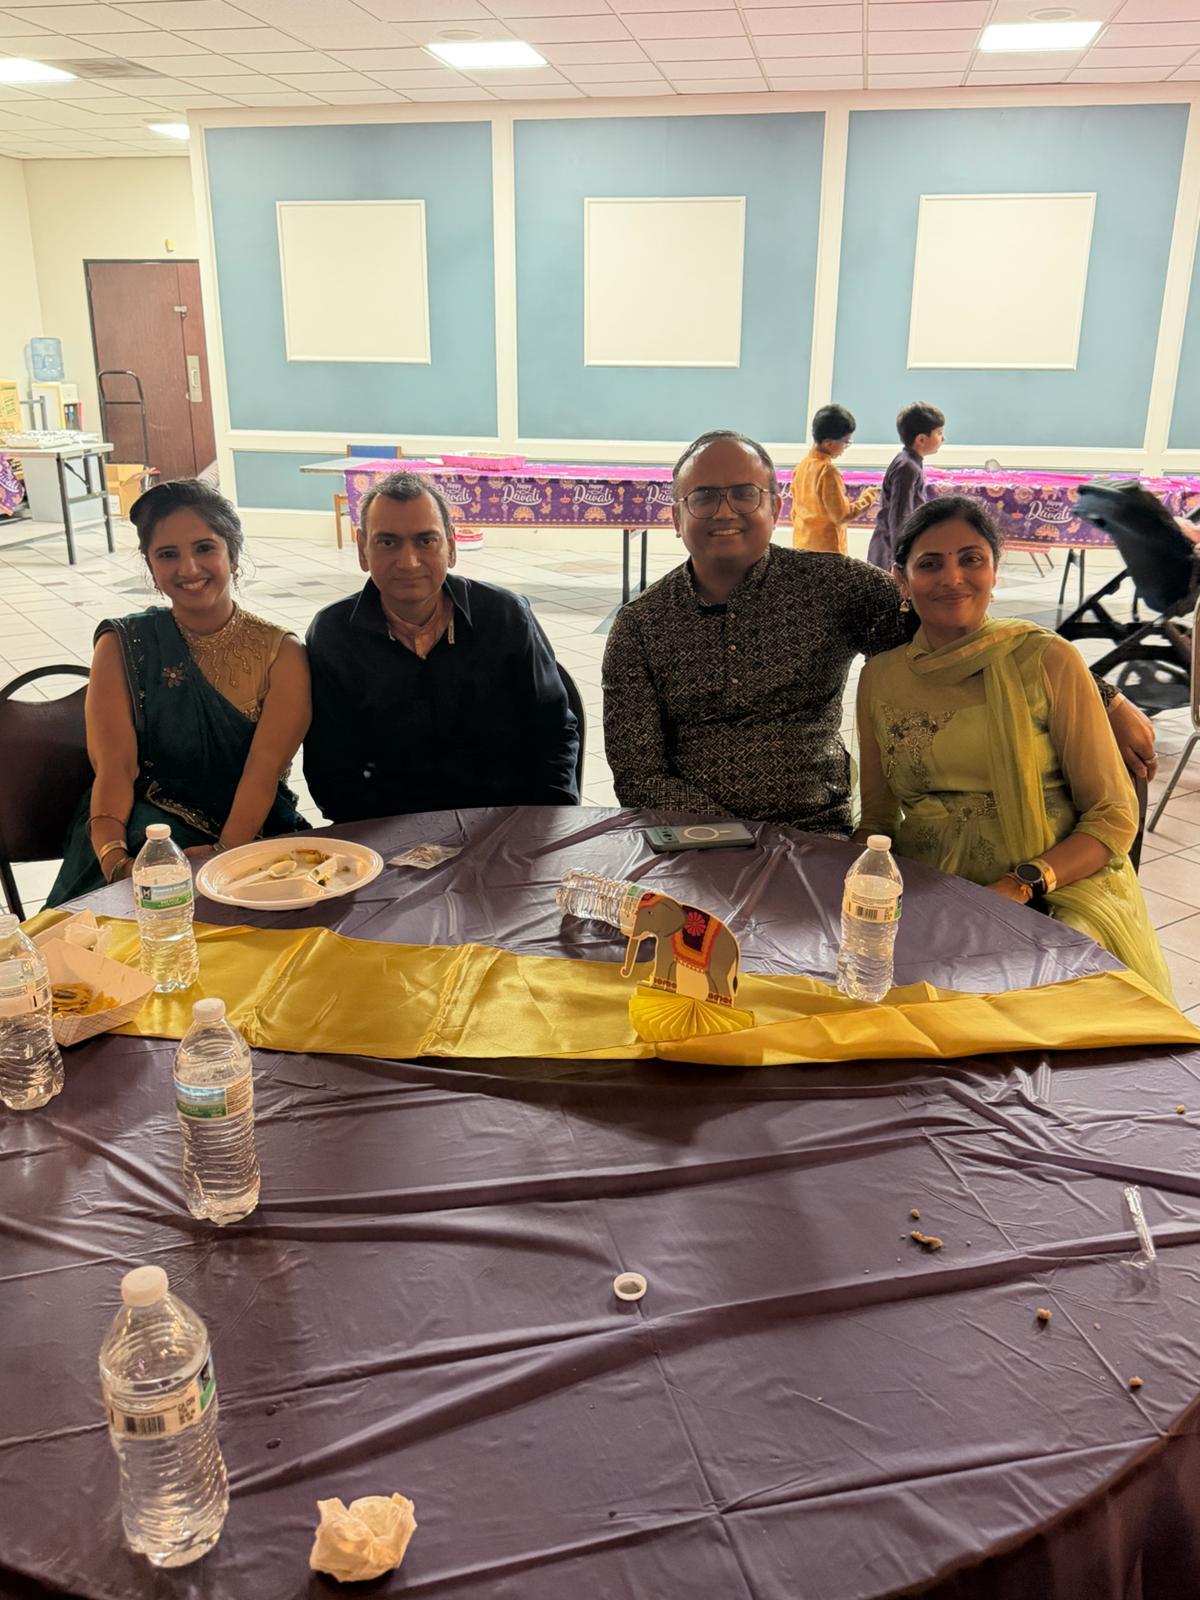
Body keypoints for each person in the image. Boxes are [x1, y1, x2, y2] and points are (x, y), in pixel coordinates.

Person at [602, 431, 1158, 837]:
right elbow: (637, 772)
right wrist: (735, 841)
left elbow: (960, 638)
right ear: (676, 517)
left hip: (815, 833)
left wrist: (1103, 697)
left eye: (745, 493)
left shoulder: (832, 587)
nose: (725, 511)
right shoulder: (641, 626)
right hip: (690, 842)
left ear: (776, 506)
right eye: (703, 497)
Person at [856, 495, 1172, 1000]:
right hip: (931, 886)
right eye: (930, 564)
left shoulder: (1046, 659)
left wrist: (1021, 884)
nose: (952, 578)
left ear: (994, 571)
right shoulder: (880, 677)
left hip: (1055, 884)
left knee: (1046, 1002)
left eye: (971, 559)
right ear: (902, 581)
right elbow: (877, 820)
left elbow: (1113, 814)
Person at [48, 480, 310, 905]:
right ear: (151, 566)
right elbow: (115, 767)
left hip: (251, 837)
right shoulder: (122, 645)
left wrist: (220, 861)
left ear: (233, 555)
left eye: (205, 548)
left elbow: (262, 773)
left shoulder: (282, 652)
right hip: (140, 836)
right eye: (167, 554)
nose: (188, 568)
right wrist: (118, 864)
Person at [304, 470, 578, 821]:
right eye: (388, 542)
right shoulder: (333, 635)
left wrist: (544, 828)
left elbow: (554, 732)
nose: (408, 562)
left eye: (425, 541)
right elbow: (330, 769)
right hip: (387, 833)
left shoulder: (505, 617)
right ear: (362, 549)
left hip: (503, 826)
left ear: (451, 546)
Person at [791, 404, 878, 554]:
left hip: (802, 545)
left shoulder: (801, 467)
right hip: (828, 551)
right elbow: (842, 515)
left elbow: (794, 513)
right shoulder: (827, 472)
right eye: (846, 442)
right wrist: (868, 497)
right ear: (829, 443)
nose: (845, 447)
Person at [869, 401, 945, 570]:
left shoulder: (910, 462)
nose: (943, 438)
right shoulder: (907, 467)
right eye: (939, 433)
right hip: (891, 550)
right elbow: (899, 515)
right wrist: (900, 558)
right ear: (921, 439)